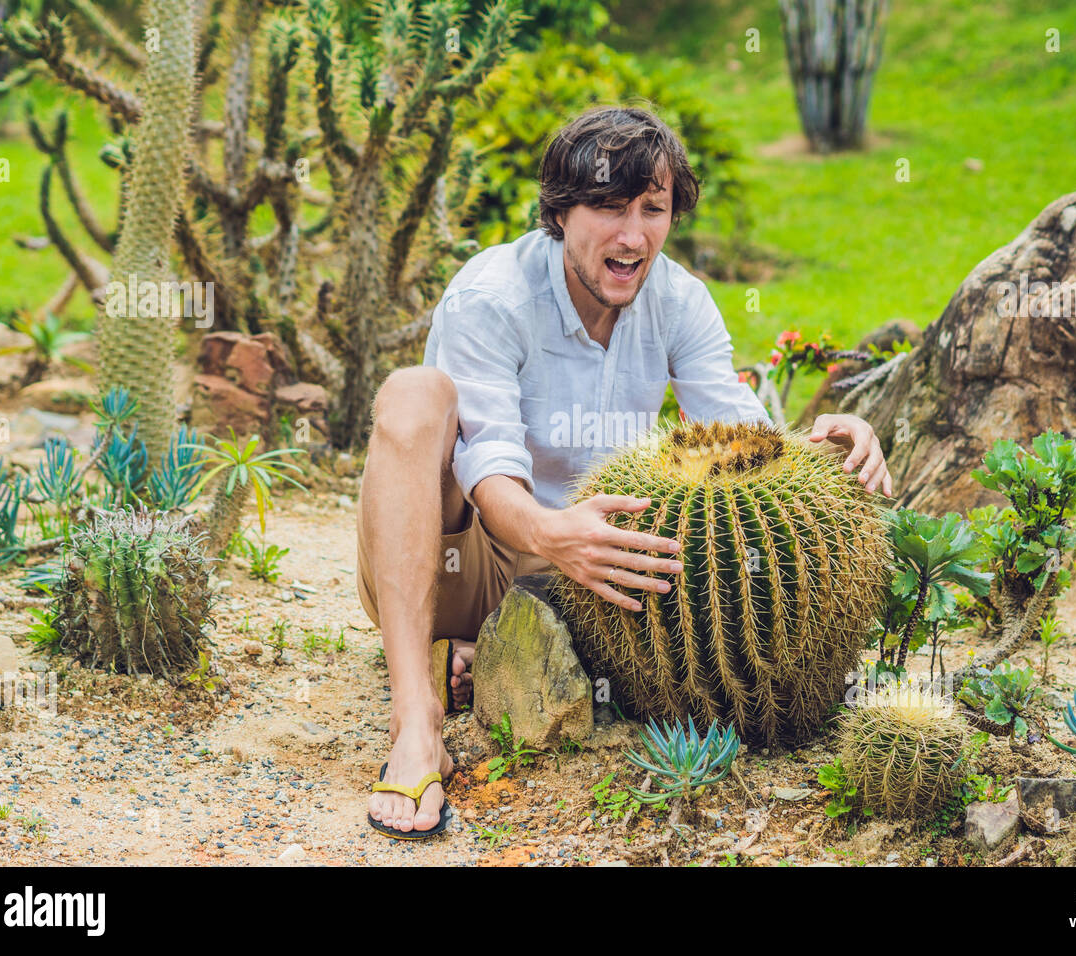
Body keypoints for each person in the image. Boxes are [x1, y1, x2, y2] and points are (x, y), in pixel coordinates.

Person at [357, 106, 892, 838]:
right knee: (413, 394)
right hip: (470, 555)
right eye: (608, 207)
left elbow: (739, 430)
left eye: (653, 208)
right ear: (558, 212)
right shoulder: (492, 296)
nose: (633, 236)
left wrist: (824, 441)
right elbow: (490, 478)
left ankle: (504, 649)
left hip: (597, 576)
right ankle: (416, 719)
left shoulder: (678, 299)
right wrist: (552, 534)